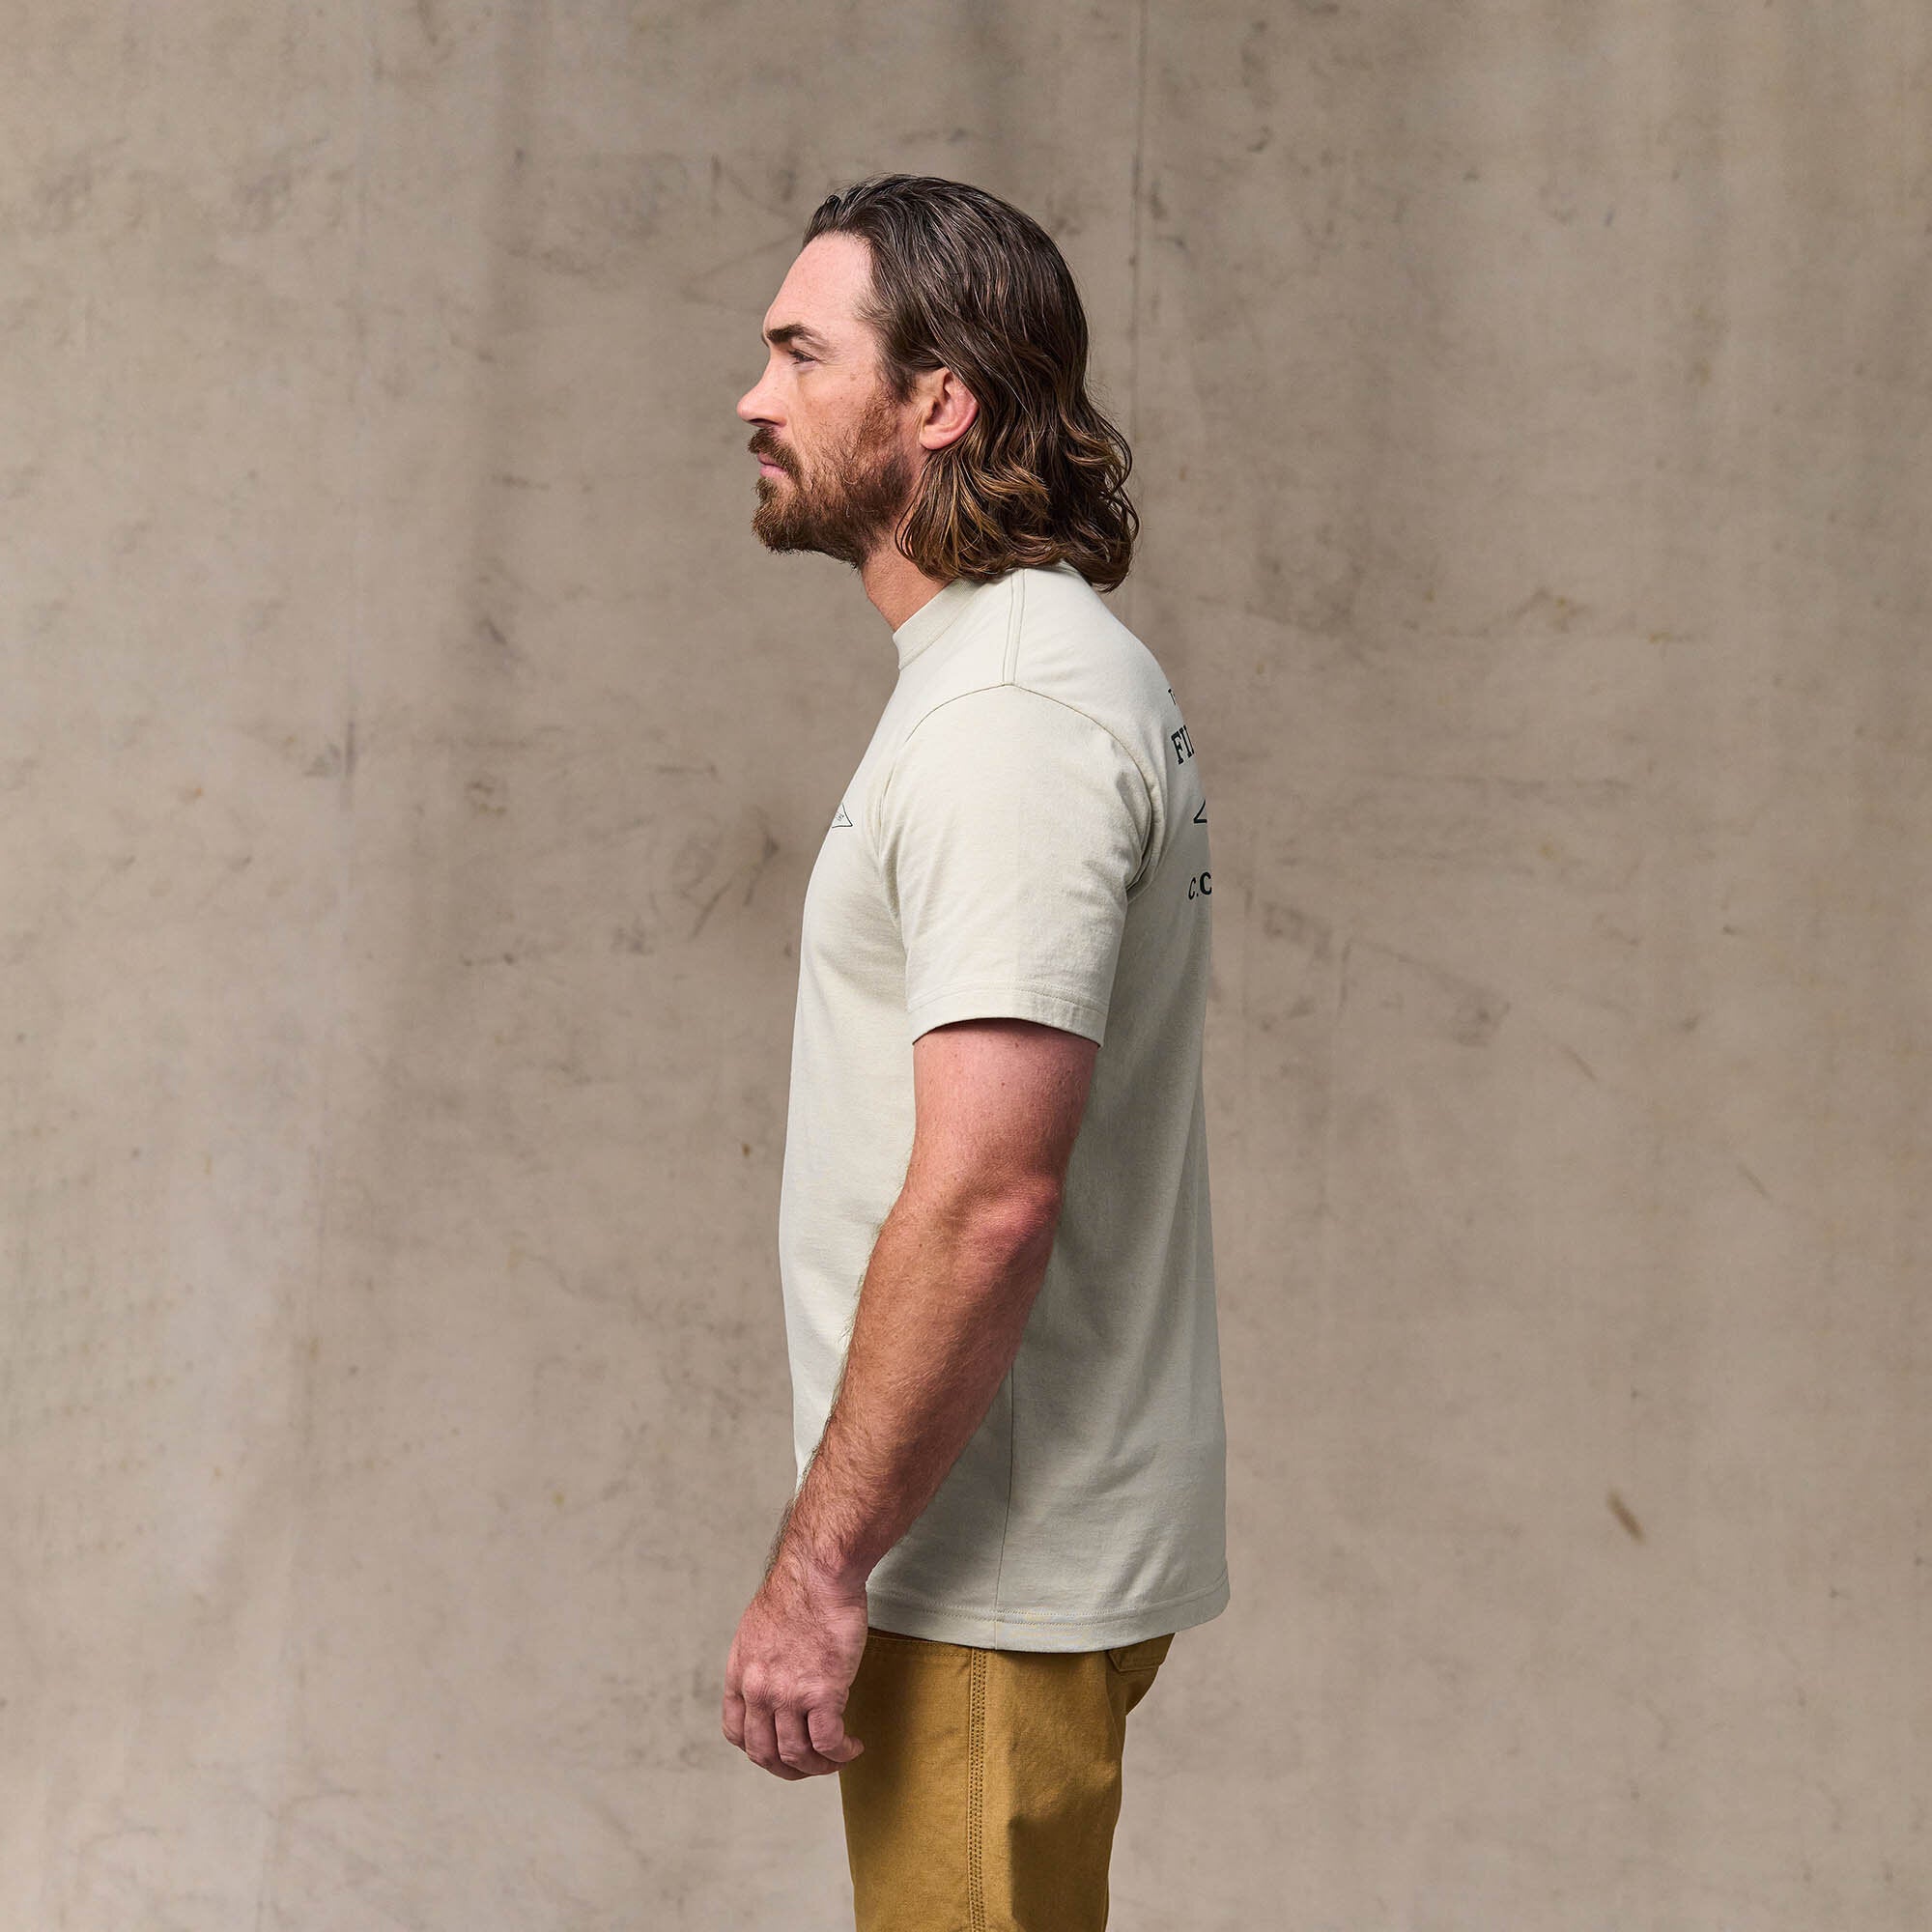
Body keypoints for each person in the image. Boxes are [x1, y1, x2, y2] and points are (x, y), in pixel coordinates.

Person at [720, 174, 1229, 1931]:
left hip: (985, 1579)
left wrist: (819, 1567)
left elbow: (991, 1197)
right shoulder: (1008, 675)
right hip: (990, 1549)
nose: (757, 396)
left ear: (938, 400)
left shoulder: (1011, 713)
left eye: (803, 353)